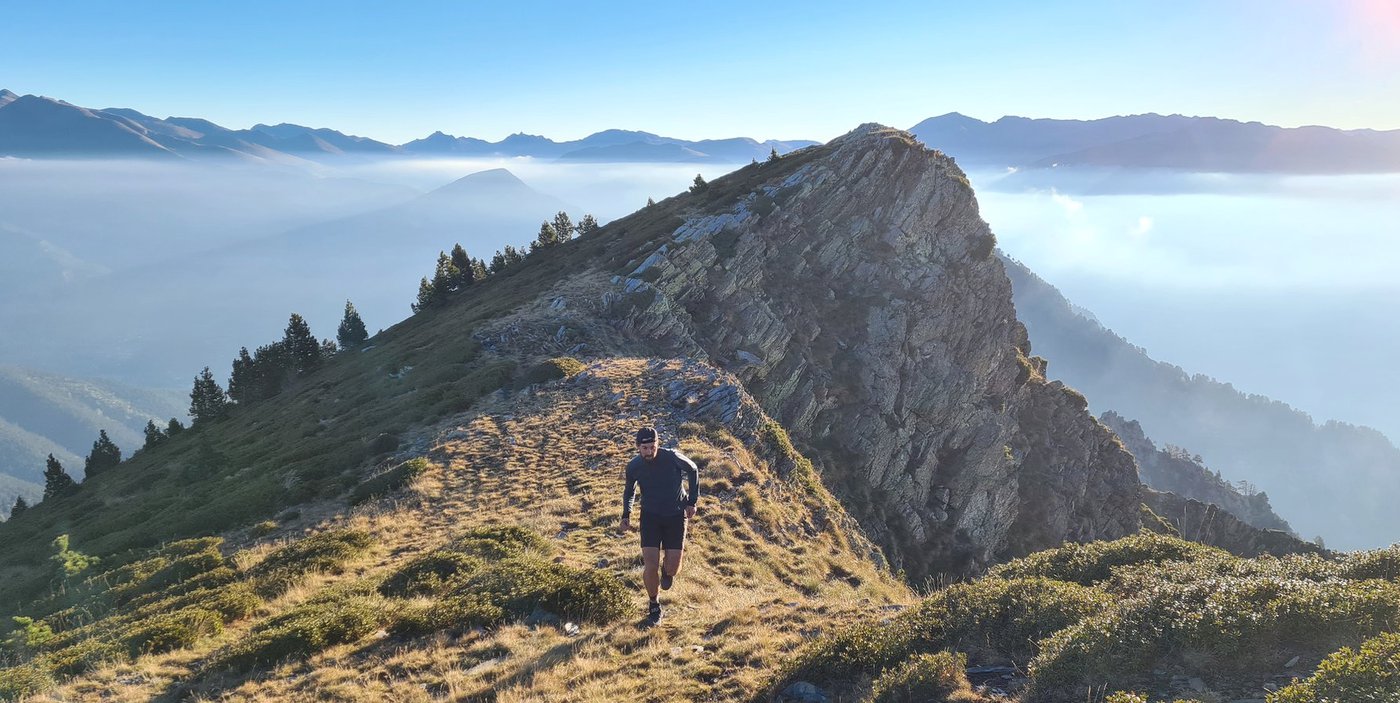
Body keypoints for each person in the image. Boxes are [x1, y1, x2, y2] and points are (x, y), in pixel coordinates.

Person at [619, 426, 698, 624]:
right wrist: (626, 514)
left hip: (675, 515)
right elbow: (630, 491)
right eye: (645, 448)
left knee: (672, 568)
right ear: (638, 447)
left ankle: (667, 571)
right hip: (650, 517)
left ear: (658, 444)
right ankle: (654, 604)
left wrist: (692, 501)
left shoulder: (672, 457)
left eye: (652, 447)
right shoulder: (634, 466)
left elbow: (693, 469)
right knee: (650, 565)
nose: (649, 452)